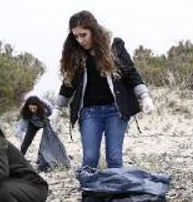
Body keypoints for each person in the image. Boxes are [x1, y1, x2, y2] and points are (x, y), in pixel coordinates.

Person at [56, 11, 155, 169]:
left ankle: (114, 192)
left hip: (115, 111)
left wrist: (144, 96)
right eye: (76, 36)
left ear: (93, 31)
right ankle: (89, 193)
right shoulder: (76, 53)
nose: (80, 40)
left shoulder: (114, 47)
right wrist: (57, 107)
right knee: (90, 158)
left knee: (114, 157)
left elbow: (130, 73)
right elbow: (69, 82)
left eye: (83, 35)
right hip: (89, 112)